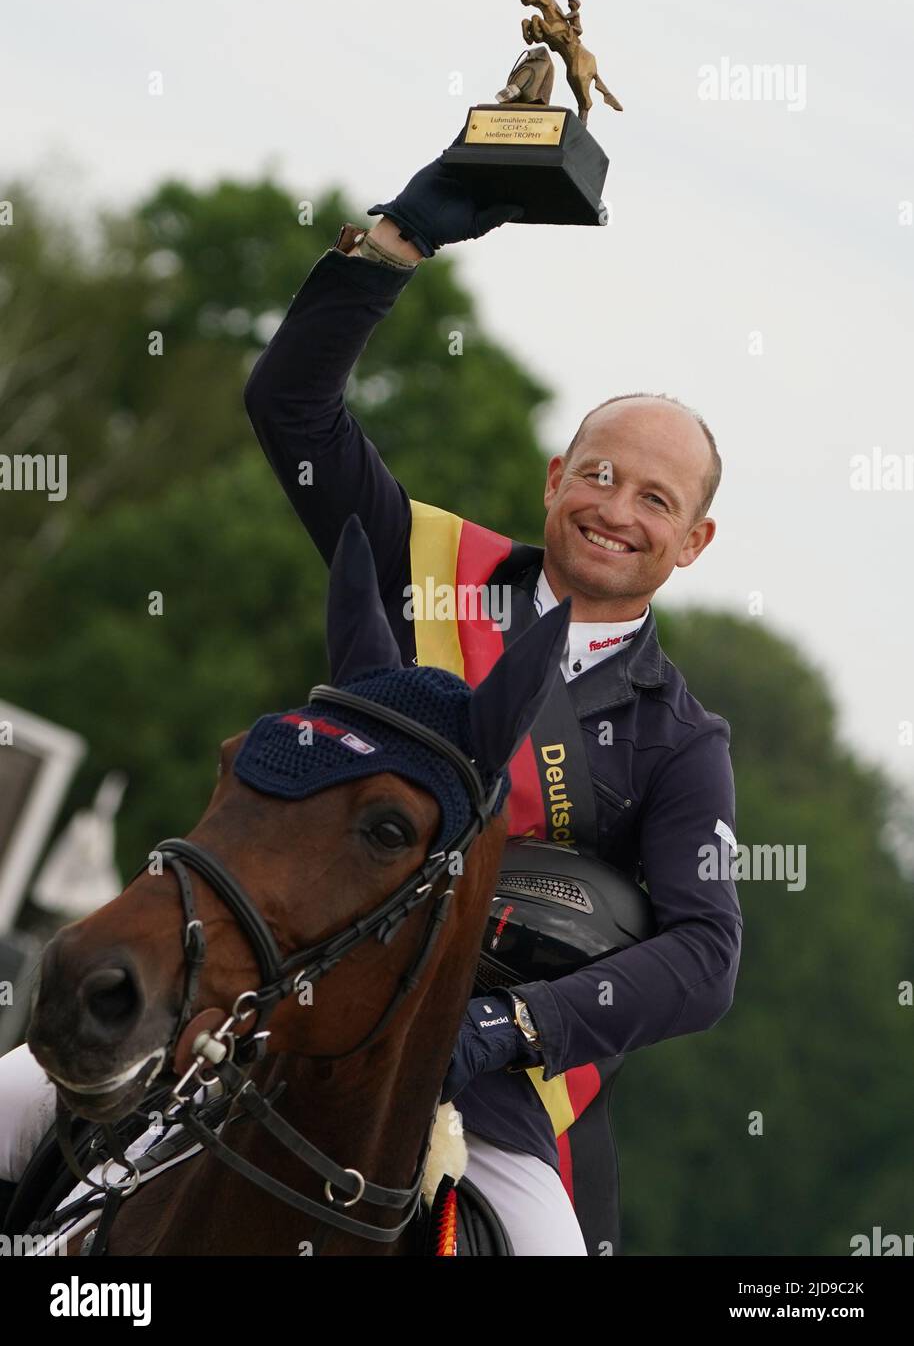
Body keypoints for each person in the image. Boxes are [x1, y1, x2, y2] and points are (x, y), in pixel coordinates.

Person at [0, 148, 743, 1258]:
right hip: (257, 1002)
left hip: (491, 1093)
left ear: (692, 541)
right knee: (10, 1102)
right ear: (553, 479)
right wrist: (396, 240)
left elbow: (703, 955)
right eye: (595, 474)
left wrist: (508, 1026)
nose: (613, 509)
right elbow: (290, 406)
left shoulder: (680, 741)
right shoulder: (424, 558)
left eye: (653, 498)